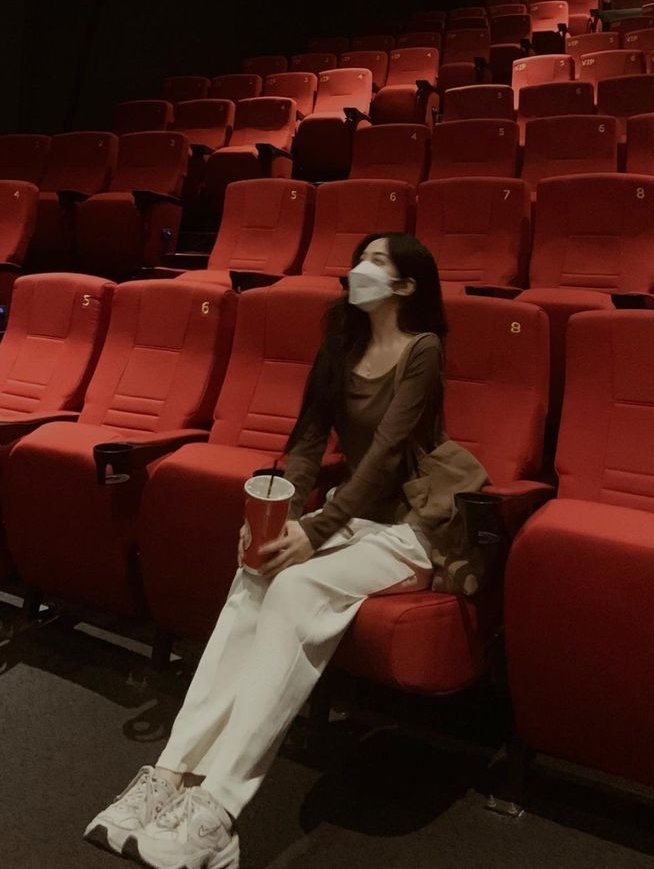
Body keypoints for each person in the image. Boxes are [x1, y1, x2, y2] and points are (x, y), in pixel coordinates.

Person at [83, 232, 448, 869]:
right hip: (352, 521)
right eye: (359, 257)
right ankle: (172, 775)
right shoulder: (339, 344)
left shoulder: (423, 350)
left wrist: (315, 528)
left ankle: (219, 811)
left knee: (298, 586)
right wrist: (275, 517)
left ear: (406, 286)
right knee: (256, 573)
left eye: (377, 262)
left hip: (411, 528)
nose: (359, 268)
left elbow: (387, 456)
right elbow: (306, 445)